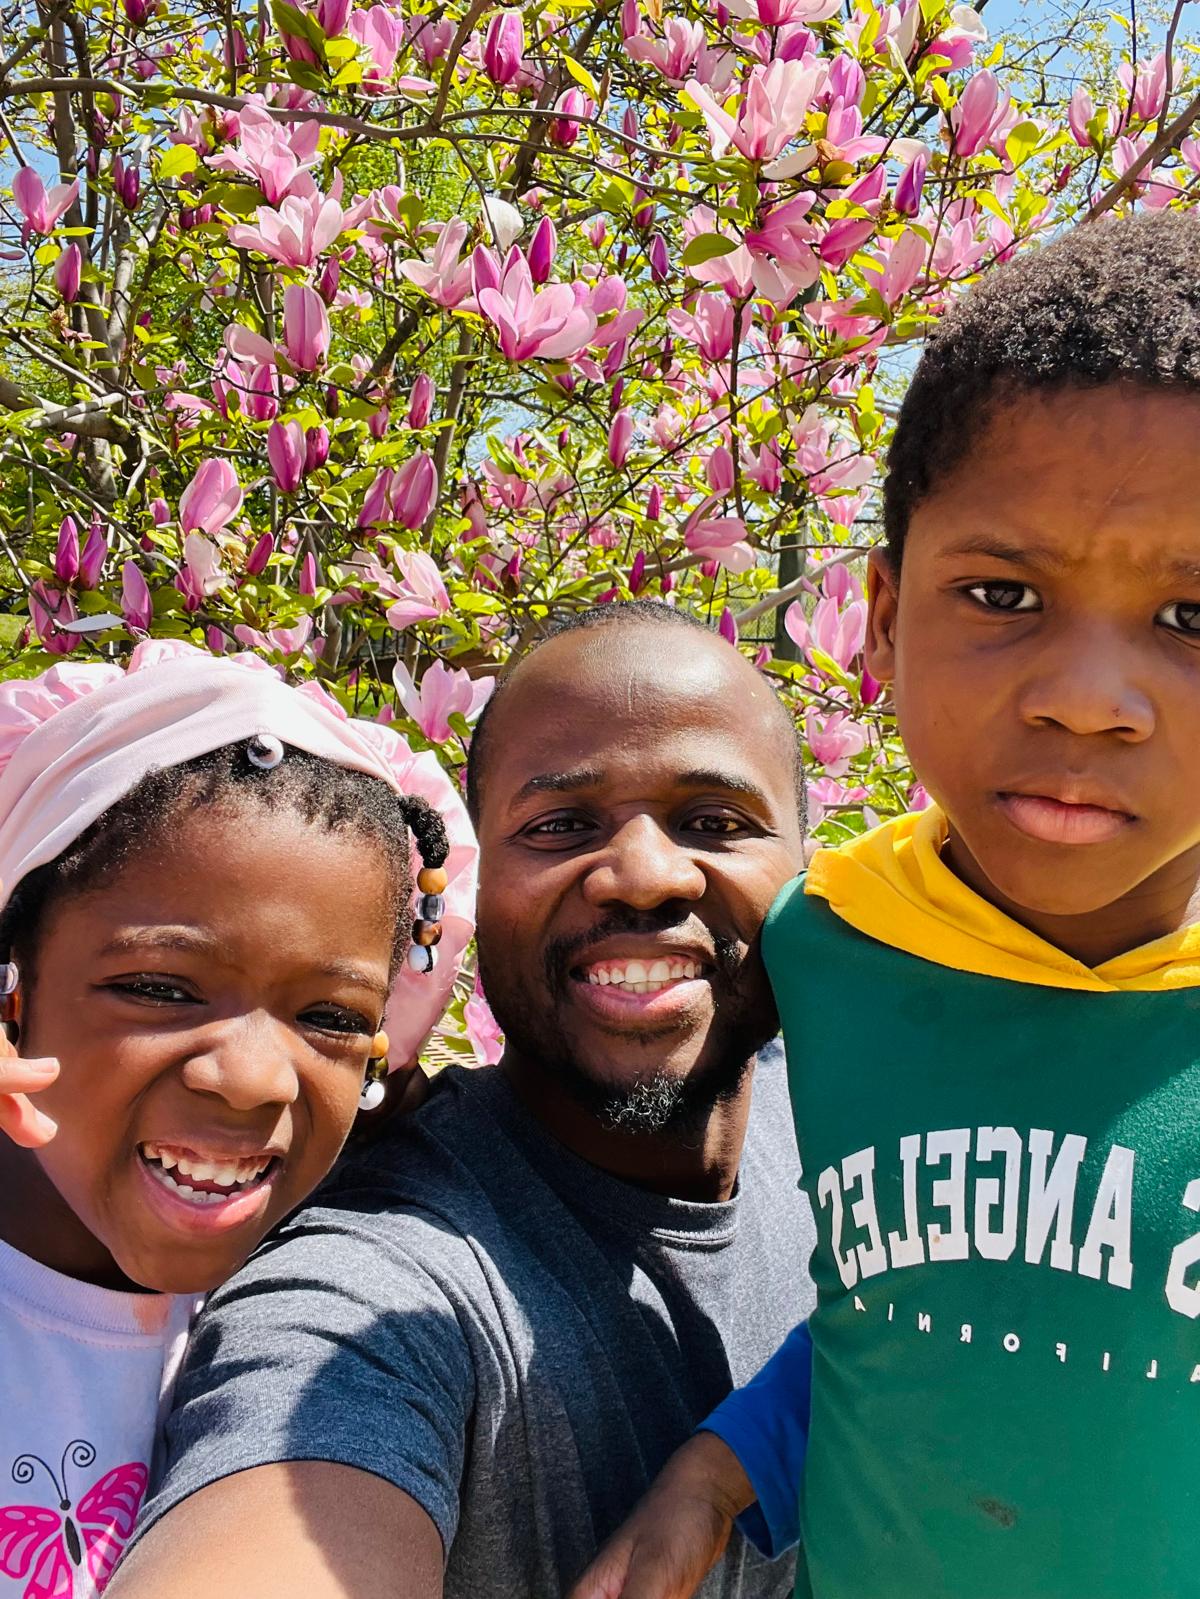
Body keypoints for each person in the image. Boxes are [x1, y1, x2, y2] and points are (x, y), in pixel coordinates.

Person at [569, 209, 1200, 1599]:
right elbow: (909, 1313)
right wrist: (720, 1464)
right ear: (882, 613)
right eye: (1002, 591)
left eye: (1190, 620)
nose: (1089, 697)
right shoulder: (830, 941)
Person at [108, 603, 818, 1599]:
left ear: (813, 874)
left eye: (715, 822)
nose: (644, 877)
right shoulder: (382, 1279)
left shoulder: (863, 1134)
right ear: (474, 888)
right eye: (561, 825)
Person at [0, 639, 475, 1599]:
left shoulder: (333, 1307)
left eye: (332, 1017)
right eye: (158, 988)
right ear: (14, 989)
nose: (254, 1080)